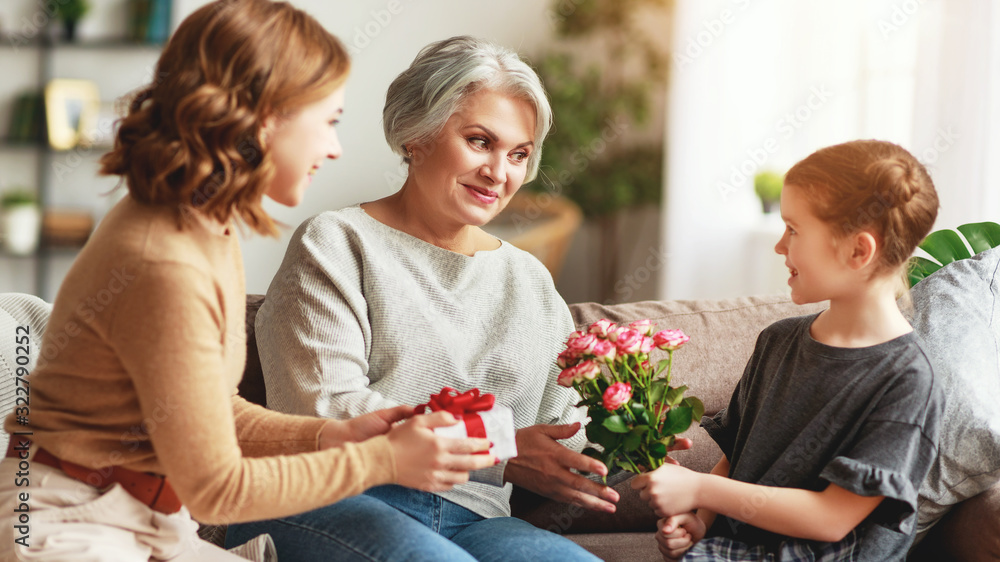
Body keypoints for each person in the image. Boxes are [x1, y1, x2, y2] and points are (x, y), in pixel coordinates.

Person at [0, 2, 495, 560]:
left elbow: (208, 407)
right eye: (328, 121)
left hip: (139, 521)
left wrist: (335, 434)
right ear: (267, 117)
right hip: (68, 527)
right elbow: (217, 490)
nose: (333, 147)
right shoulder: (166, 262)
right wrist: (382, 462)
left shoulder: (203, 225)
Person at [226, 35, 684, 562]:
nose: (499, 172)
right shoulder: (337, 242)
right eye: (479, 141)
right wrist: (500, 453)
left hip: (475, 519)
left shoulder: (528, 279)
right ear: (416, 135)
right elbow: (325, 408)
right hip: (332, 497)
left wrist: (640, 441)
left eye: (519, 154)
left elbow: (567, 432)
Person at [631, 139, 944, 561]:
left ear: (858, 250)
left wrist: (700, 488)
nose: (780, 245)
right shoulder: (777, 341)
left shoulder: (908, 381)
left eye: (794, 230)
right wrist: (701, 521)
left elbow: (831, 518)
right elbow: (738, 456)